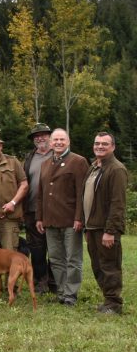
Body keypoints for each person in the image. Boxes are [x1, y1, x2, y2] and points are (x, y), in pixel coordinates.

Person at [35, 128, 88, 306]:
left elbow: (82, 192)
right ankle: (62, 291)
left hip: (70, 220)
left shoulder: (78, 161)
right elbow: (41, 194)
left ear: (68, 141)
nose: (58, 142)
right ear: (50, 143)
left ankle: (70, 295)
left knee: (72, 258)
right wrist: (40, 217)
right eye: (55, 140)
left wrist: (79, 217)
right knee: (56, 258)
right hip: (50, 220)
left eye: (62, 139)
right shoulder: (45, 164)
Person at [80, 132, 127, 315]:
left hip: (105, 229)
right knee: (98, 266)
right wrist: (86, 225)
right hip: (92, 227)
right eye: (97, 143)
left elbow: (118, 204)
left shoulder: (116, 169)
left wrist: (111, 231)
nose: (100, 146)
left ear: (113, 147)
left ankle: (114, 304)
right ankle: (107, 301)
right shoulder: (94, 167)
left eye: (104, 144)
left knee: (110, 265)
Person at [23, 123, 55, 293]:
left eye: (43, 135)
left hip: (55, 211)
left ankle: (54, 282)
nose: (40, 138)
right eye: (36, 136)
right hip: (32, 210)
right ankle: (40, 280)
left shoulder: (58, 155)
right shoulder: (29, 158)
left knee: (55, 248)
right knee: (36, 249)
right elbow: (23, 184)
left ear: (50, 136)